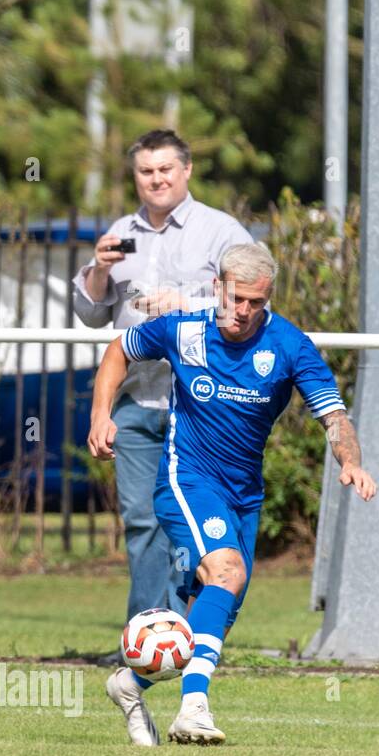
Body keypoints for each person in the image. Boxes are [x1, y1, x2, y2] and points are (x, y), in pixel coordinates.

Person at [88, 243, 375, 746]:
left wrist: (349, 460)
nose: (243, 311)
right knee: (227, 572)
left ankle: (129, 685)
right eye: (237, 298)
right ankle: (193, 710)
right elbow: (120, 350)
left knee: (208, 611)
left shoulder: (289, 345)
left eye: (256, 303)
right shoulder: (186, 330)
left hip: (243, 496)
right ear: (218, 286)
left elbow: (333, 415)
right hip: (186, 479)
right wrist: (100, 414)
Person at [73, 129, 253, 622]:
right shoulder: (120, 231)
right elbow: (91, 315)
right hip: (136, 401)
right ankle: (150, 637)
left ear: (186, 170)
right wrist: (98, 272)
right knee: (141, 523)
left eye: (165, 169)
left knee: (194, 525)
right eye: (146, 171)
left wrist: (186, 305)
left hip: (200, 408)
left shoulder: (220, 231)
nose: (156, 180)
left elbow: (251, 304)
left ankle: (193, 633)